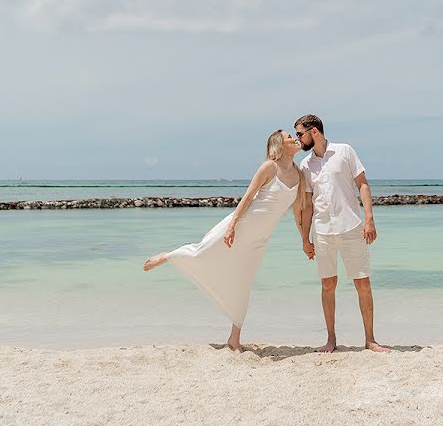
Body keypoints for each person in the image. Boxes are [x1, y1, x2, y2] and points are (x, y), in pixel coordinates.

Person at [143, 130, 305, 353]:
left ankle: (234, 339)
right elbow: (248, 196)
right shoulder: (269, 167)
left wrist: (305, 240)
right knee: (203, 252)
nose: (294, 139)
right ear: (279, 144)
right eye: (289, 137)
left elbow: (298, 211)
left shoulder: (299, 174)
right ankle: (168, 256)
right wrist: (232, 226)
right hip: (241, 226)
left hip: (259, 239)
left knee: (243, 283)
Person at [295, 114, 390, 353]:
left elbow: (363, 184)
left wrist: (369, 219)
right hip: (323, 230)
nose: (298, 139)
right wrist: (305, 239)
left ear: (314, 131)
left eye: (300, 133)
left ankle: (370, 340)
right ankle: (331, 340)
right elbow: (307, 204)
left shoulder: (344, 151)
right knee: (328, 284)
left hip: (351, 226)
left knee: (362, 283)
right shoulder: (306, 165)